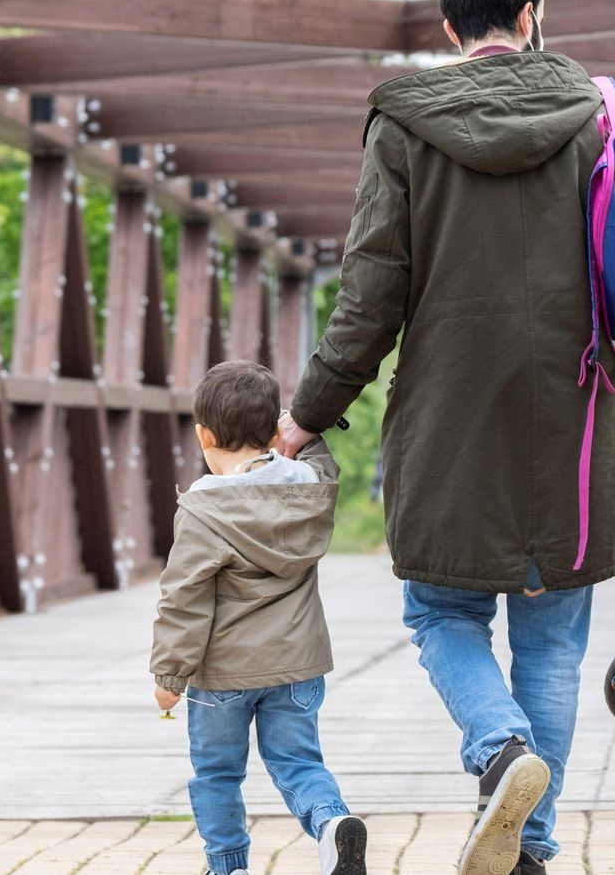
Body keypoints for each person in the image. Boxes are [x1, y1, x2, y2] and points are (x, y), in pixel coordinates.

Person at [276, 0, 615, 873]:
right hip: (582, 427)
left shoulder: (403, 126)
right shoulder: (602, 119)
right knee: (552, 644)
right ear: (531, 14)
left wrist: (306, 417)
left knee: (440, 612)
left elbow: (369, 300)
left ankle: (499, 747)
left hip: (448, 431)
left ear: (447, 24)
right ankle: (530, 849)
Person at [152, 360, 368, 875]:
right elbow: (319, 458)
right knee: (299, 763)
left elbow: (183, 598)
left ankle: (228, 867)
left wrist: (169, 675)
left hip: (223, 676)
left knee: (217, 774)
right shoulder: (309, 489)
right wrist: (302, 425)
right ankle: (331, 823)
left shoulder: (203, 510)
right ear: (274, 433)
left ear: (203, 436)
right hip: (297, 669)